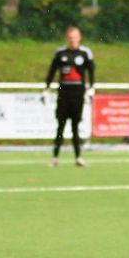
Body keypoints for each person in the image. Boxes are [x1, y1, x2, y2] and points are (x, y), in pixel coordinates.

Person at [43, 26, 95, 167]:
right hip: (63, 94)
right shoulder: (60, 53)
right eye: (70, 37)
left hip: (78, 94)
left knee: (75, 127)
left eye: (75, 37)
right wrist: (46, 88)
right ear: (67, 38)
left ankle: (78, 157)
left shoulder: (85, 53)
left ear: (79, 37)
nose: (73, 40)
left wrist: (91, 88)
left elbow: (91, 72)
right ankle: (55, 157)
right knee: (60, 126)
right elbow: (52, 71)